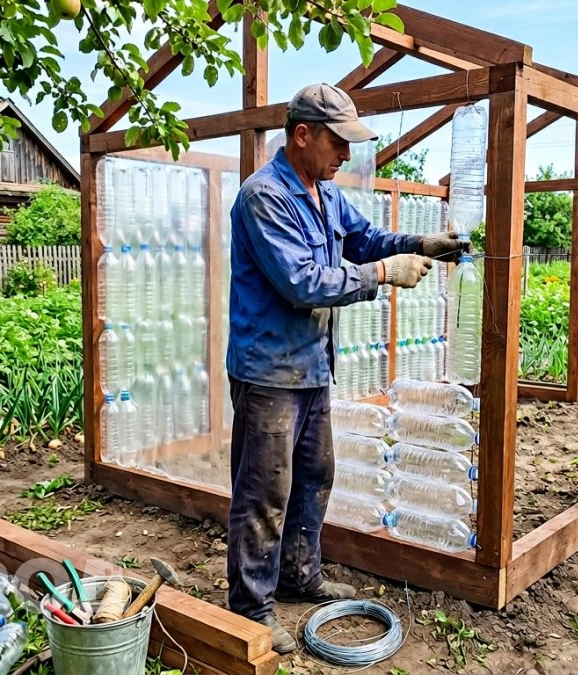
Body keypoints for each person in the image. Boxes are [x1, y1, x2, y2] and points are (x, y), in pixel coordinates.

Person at [226, 82, 468, 652]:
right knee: (265, 490)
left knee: (315, 475)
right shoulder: (265, 196)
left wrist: (420, 242)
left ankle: (299, 577)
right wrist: (385, 274)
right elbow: (301, 282)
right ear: (302, 135)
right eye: (339, 143)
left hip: (310, 366)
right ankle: (251, 608)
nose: (346, 155)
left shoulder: (324, 192)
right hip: (268, 371)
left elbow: (364, 238)